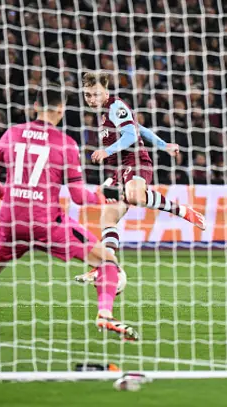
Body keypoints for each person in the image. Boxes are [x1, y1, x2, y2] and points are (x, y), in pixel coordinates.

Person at [0, 86, 139, 341]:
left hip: (11, 220)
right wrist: (104, 195)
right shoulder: (66, 144)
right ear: (61, 110)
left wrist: (11, 197)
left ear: (34, 107)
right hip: (46, 223)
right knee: (107, 260)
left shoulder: (12, 134)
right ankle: (105, 315)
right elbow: (78, 197)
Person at [76, 72, 206, 284]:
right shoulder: (106, 112)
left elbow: (130, 135)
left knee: (135, 195)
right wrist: (164, 145)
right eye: (88, 95)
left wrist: (106, 152)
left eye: (95, 94)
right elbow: (139, 128)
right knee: (107, 219)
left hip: (135, 160)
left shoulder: (115, 106)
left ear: (105, 91)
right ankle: (103, 268)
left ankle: (183, 211)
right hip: (120, 169)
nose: (91, 99)